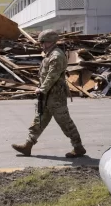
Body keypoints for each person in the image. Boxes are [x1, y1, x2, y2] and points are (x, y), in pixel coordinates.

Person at [12, 29, 86, 158]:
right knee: (39, 120)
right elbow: (45, 75)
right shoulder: (49, 54)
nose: (42, 45)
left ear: (51, 42)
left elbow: (52, 76)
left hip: (55, 96)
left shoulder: (56, 56)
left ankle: (78, 147)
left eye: (44, 42)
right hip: (46, 95)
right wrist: (42, 89)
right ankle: (28, 146)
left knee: (65, 122)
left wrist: (42, 89)